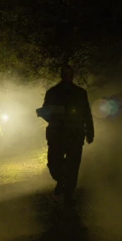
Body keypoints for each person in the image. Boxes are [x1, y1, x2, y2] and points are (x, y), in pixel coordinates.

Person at [36, 64, 94, 202]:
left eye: (69, 74)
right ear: (62, 75)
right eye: (65, 74)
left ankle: (69, 194)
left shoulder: (80, 93)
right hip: (57, 134)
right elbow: (46, 111)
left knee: (73, 165)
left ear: (72, 76)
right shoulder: (53, 92)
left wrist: (90, 132)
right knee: (54, 164)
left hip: (75, 134)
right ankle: (62, 181)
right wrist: (52, 117)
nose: (67, 77)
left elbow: (87, 114)